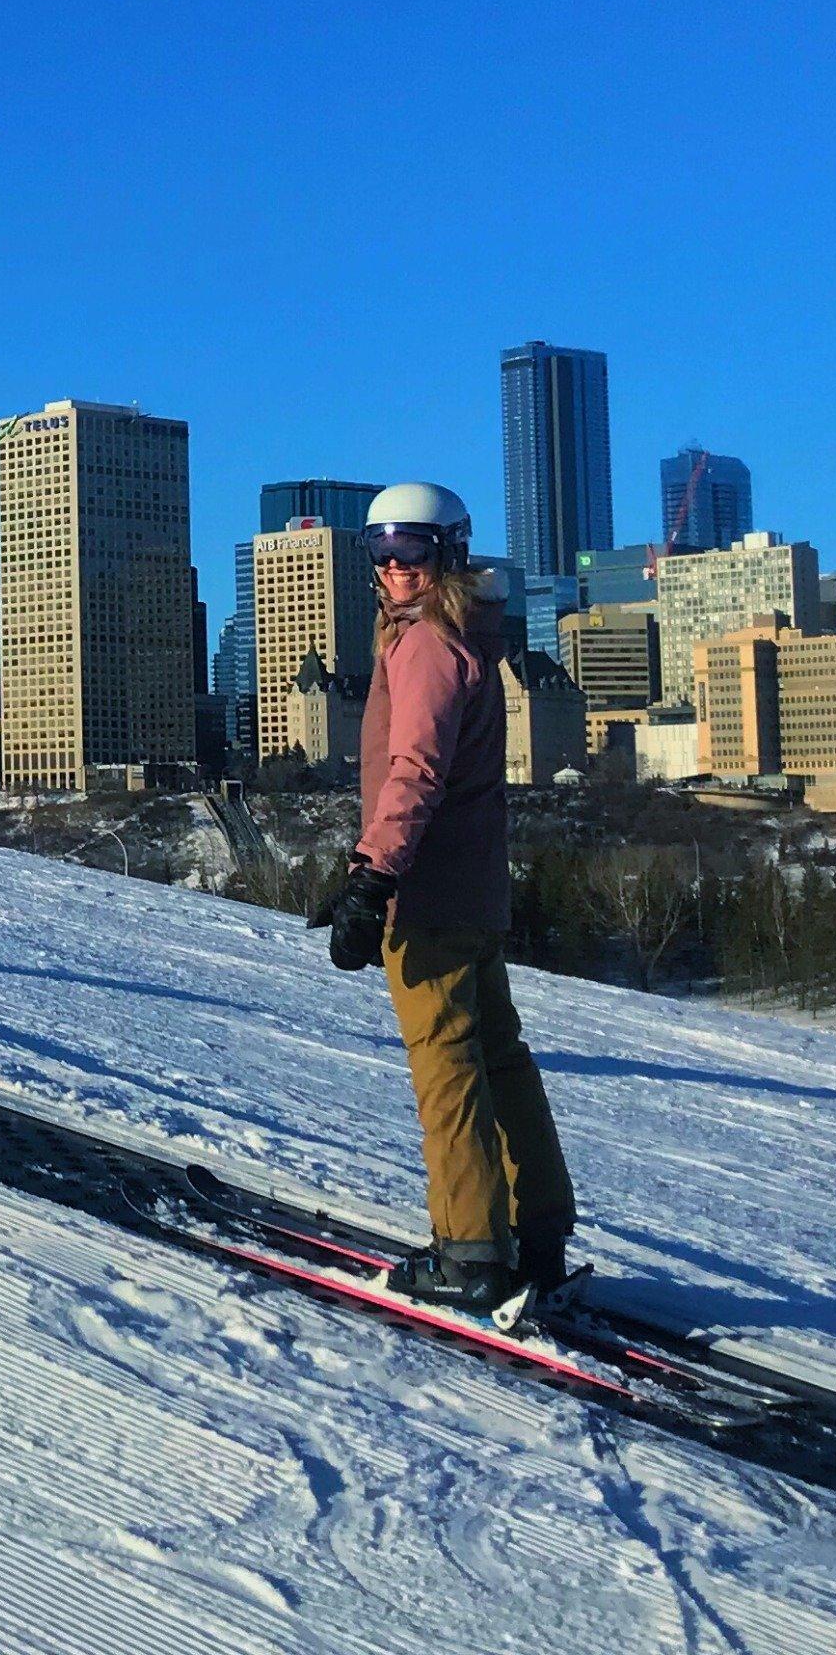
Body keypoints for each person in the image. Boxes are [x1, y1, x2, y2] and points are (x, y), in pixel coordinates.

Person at [312, 481, 578, 1313]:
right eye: (380, 553)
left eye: (412, 552)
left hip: (428, 890)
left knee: (448, 1067)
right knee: (497, 1053)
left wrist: (376, 875)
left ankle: (469, 1250)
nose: (394, 569)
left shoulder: (426, 644)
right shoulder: (470, 635)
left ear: (448, 554)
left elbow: (414, 772)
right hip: (472, 884)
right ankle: (535, 1231)